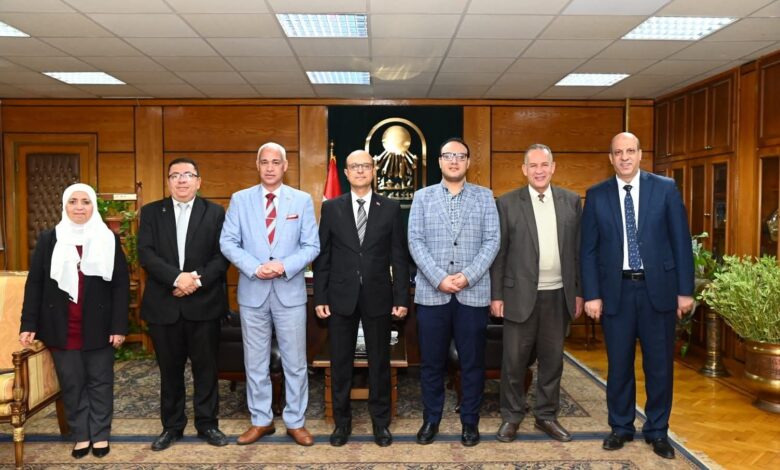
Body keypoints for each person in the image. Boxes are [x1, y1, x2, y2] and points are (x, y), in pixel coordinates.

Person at [581, 132, 694, 460]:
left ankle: (657, 430)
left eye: (630, 151)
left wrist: (684, 291)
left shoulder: (665, 189)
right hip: (615, 292)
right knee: (619, 365)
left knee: (659, 366)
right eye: (618, 152)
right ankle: (620, 427)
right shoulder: (597, 195)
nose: (625, 157)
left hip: (658, 291)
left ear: (641, 154)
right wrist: (592, 295)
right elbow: (588, 250)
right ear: (611, 158)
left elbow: (681, 241)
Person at [220, 142, 320, 446]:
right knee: (255, 362)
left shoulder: (301, 200)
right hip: (253, 292)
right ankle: (261, 420)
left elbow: (312, 246)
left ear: (285, 166)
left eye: (276, 162)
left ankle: (295, 421)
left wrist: (283, 266)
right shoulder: (240, 199)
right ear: (257, 165)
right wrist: (255, 267)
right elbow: (228, 242)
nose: (270, 167)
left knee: (295, 363)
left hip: (290, 292)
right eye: (264, 162)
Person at [20, 183, 129, 459]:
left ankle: (100, 434)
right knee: (72, 383)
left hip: (99, 325)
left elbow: (120, 285)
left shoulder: (108, 238)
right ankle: (81, 435)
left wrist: (119, 326)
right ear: (64, 206)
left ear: (93, 206)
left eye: (85, 202)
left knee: (100, 382)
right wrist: (28, 323)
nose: (79, 207)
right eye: (73, 201)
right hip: (61, 325)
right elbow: (35, 284)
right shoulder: (49, 238)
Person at [313, 150, 410, 447]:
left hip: (378, 296)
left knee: (379, 362)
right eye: (354, 166)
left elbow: (399, 256)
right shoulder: (332, 208)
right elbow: (323, 256)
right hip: (340, 296)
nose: (359, 170)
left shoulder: (390, 208)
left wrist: (401, 297)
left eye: (365, 166)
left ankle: (381, 423)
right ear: (345, 172)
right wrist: (320, 296)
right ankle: (342, 423)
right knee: (340, 362)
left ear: (373, 170)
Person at [407, 137, 500, 447]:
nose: (454, 161)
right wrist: (439, 278)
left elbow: (492, 241)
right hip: (433, 293)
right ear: (439, 162)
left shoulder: (485, 197)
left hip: (472, 293)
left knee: (472, 363)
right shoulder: (422, 197)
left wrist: (467, 276)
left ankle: (470, 422)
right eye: (448, 156)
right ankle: (431, 419)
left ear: (468, 162)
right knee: (431, 363)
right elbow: (415, 241)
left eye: (460, 156)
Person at [489, 144, 583, 443]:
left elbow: (579, 252)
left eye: (544, 165)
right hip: (518, 296)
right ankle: (511, 416)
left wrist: (579, 293)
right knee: (514, 362)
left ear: (553, 167)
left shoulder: (571, 201)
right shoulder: (507, 203)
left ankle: (546, 416)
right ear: (524, 169)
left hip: (558, 295)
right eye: (533, 165)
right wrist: (496, 295)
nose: (539, 170)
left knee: (552, 361)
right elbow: (499, 253)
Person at [138, 158, 230, 450]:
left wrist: (195, 281)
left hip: (204, 305)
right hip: (164, 305)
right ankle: (172, 426)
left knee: (206, 370)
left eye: (188, 175)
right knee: (170, 372)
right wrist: (177, 279)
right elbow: (146, 254)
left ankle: (207, 424)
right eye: (175, 175)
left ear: (198, 181)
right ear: (168, 182)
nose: (181, 180)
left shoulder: (215, 212)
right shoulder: (151, 212)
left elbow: (222, 256)